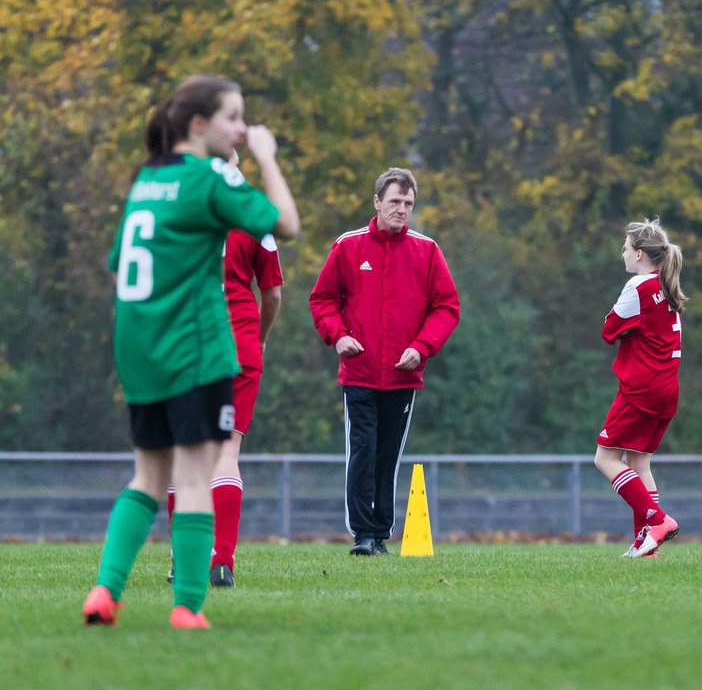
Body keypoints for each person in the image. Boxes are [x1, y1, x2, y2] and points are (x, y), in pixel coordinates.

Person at [82, 75, 299, 629]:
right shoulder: (207, 180)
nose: (242, 128)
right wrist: (266, 157)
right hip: (195, 350)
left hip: (139, 350)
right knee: (199, 478)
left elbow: (118, 264)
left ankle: (105, 593)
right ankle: (188, 607)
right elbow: (287, 226)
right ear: (198, 125)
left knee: (147, 480)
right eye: (233, 117)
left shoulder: (145, 181)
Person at [309, 168, 460, 556]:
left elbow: (446, 307)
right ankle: (362, 534)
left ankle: (381, 533)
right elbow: (322, 300)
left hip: (403, 375)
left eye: (408, 204)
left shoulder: (427, 250)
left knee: (387, 453)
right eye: (395, 202)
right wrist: (338, 336)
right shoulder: (348, 246)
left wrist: (422, 347)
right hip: (359, 373)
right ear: (377, 202)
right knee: (361, 449)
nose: (402, 210)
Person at [165, 148, 285, 588]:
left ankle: (183, 560)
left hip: (191, 346)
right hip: (239, 345)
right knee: (227, 454)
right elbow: (272, 294)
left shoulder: (178, 207)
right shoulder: (253, 213)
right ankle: (221, 560)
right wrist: (261, 338)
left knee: (187, 454)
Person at [593, 219, 687, 558]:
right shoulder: (666, 285)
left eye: (625, 249)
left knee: (604, 458)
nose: (622, 255)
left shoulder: (639, 287)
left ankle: (657, 521)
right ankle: (646, 546)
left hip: (642, 389)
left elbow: (609, 330)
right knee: (639, 463)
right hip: (666, 389)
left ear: (638, 254)